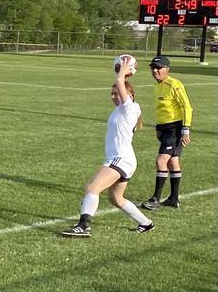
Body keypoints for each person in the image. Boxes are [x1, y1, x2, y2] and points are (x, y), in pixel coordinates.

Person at [61, 55, 155, 238]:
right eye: (112, 93)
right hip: (121, 159)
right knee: (116, 198)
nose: (114, 95)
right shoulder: (119, 110)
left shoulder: (131, 108)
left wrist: (124, 70)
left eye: (117, 93)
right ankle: (146, 223)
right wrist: (122, 75)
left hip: (121, 158)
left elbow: (120, 81)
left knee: (92, 188)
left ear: (129, 95)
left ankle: (84, 226)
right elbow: (119, 84)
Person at [140, 55, 194, 211]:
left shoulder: (174, 85)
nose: (155, 70)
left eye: (158, 68)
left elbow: (187, 107)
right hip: (165, 128)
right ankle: (173, 199)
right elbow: (161, 109)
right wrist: (158, 127)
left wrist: (185, 130)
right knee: (173, 161)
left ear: (167, 69)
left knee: (161, 161)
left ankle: (155, 199)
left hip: (175, 128)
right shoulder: (157, 85)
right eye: (153, 68)